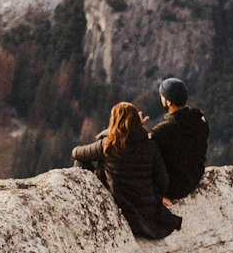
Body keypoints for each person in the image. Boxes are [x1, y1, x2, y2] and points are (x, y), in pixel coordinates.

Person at [72, 100, 182, 239]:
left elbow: (76, 153)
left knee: (81, 161)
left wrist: (105, 135)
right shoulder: (150, 146)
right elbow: (163, 181)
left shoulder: (108, 145)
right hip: (147, 209)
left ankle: (89, 205)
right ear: (138, 121)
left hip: (122, 207)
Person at [147, 76, 209, 201]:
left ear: (168, 102)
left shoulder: (162, 131)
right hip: (194, 178)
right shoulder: (200, 121)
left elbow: (144, 153)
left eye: (162, 96)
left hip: (172, 188)